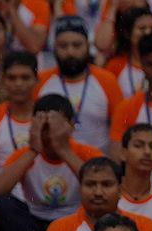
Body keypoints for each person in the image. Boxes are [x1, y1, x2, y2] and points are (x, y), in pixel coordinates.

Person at [0, 94, 104, 231]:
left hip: (75, 222)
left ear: (71, 126)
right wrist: (33, 150)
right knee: (2, 204)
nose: (50, 133)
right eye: (44, 127)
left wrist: (63, 150)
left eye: (56, 126)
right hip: (35, 224)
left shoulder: (87, 153)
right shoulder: (25, 155)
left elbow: (99, 186)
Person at [37, 16, 123, 152]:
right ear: (54, 48)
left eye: (77, 45)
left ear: (88, 46)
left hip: (98, 161)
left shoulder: (107, 80)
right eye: (63, 46)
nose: (70, 52)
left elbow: (119, 129)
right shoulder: (40, 81)